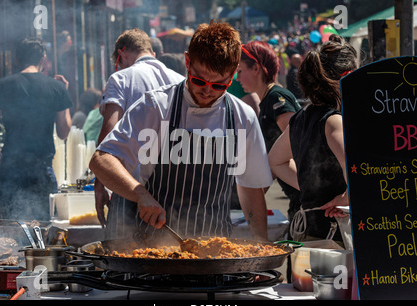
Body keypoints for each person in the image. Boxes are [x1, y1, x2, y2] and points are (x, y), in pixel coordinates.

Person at [89, 21, 272, 243]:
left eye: (218, 85)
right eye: (199, 80)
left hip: (215, 251)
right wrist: (140, 195)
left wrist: (261, 248)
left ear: (233, 75)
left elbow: (251, 190)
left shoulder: (243, 118)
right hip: (153, 248)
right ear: (187, 62)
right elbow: (102, 159)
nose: (207, 91)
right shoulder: (155, 107)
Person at [268, 34, 357, 242]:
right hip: (336, 235)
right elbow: (357, 169)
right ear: (345, 77)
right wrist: (345, 198)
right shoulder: (333, 121)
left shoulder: (300, 118)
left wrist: (310, 187)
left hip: (310, 232)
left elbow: (275, 161)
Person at [94, 28, 184, 228]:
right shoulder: (181, 81)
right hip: (176, 196)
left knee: (124, 256)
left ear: (122, 54)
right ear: (152, 53)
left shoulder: (121, 79)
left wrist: (100, 183)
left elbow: (109, 134)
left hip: (131, 192)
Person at [0, 37, 72, 221]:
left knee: (11, 229)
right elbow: (63, 133)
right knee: (43, 229)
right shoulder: (57, 88)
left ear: (17, 60)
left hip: (11, 168)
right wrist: (64, 96)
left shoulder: (1, 86)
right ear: (43, 59)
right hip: (41, 169)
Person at [236, 40, 302, 223]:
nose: (237, 78)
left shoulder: (275, 97)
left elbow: (299, 146)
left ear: (256, 68)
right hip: (300, 200)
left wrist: (311, 190)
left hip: (306, 201)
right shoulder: (268, 99)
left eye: (240, 71)